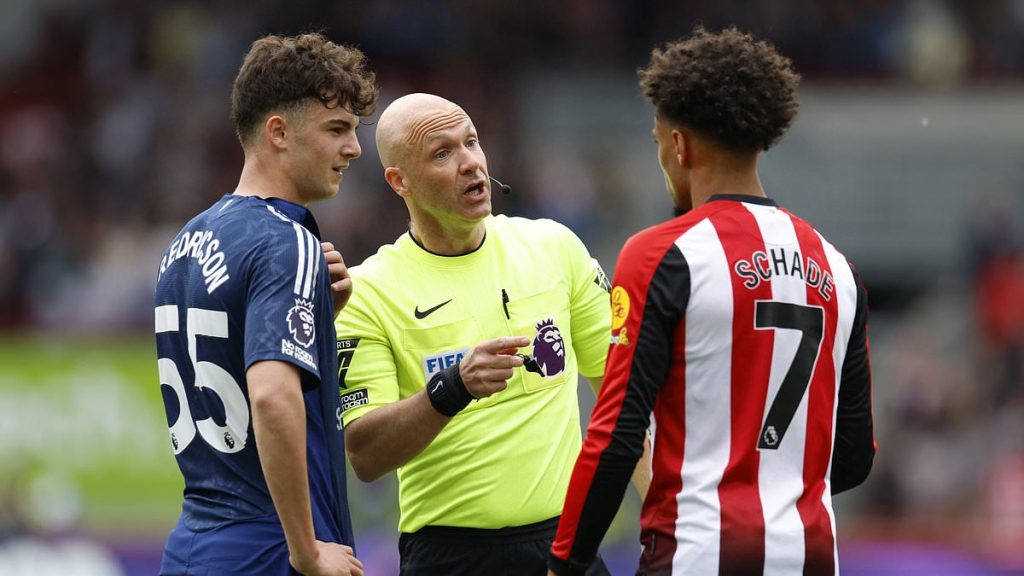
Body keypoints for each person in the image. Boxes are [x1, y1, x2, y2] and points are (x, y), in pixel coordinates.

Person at [548, 27, 876, 576]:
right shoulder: (838, 268)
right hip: (812, 554)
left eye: (657, 143)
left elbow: (617, 437)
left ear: (679, 145)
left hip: (698, 550)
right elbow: (854, 456)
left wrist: (565, 562)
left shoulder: (661, 254)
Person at [334, 93, 640, 575]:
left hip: (565, 548)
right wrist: (452, 389)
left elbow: (624, 400)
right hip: (450, 556)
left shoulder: (555, 249)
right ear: (400, 182)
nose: (470, 163)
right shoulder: (367, 292)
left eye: (471, 142)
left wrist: (669, 520)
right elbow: (366, 456)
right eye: (442, 153)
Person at [153, 33, 377, 576]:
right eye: (337, 130)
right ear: (278, 131)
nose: (354, 149)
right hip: (267, 547)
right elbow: (273, 400)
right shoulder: (287, 240)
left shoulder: (185, 242)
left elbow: (229, 358)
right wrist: (305, 550)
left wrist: (319, 321)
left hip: (191, 544)